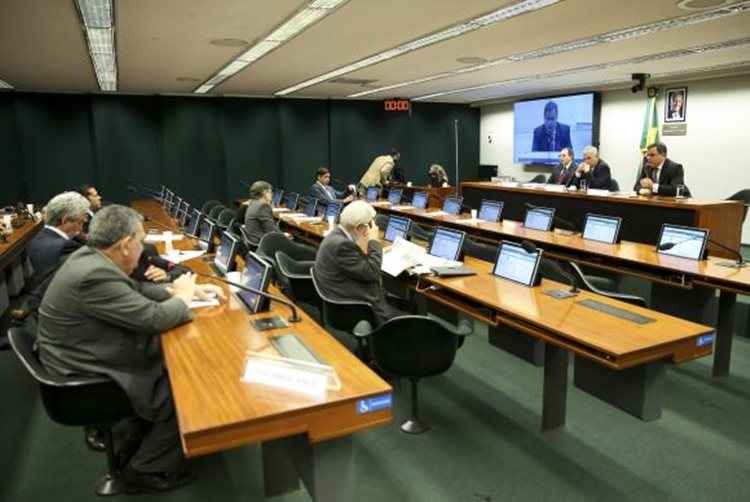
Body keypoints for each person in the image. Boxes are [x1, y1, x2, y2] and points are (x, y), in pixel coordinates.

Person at [37, 205, 224, 492]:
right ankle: (145, 469)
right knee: (190, 386)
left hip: (82, 352)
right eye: (140, 240)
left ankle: (139, 442)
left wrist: (180, 292)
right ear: (125, 245)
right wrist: (182, 299)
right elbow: (154, 318)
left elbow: (134, 291)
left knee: (180, 364)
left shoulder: (92, 257)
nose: (142, 248)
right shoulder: (92, 275)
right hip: (85, 375)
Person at [314, 200, 403, 325]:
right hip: (358, 309)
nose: (374, 228)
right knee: (415, 321)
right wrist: (374, 241)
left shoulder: (336, 236)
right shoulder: (342, 245)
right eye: (371, 224)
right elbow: (372, 272)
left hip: (341, 295)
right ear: (360, 228)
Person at [27, 192, 90, 289]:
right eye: (80, 222)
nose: (81, 228)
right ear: (64, 220)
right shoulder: (67, 246)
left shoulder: (37, 239)